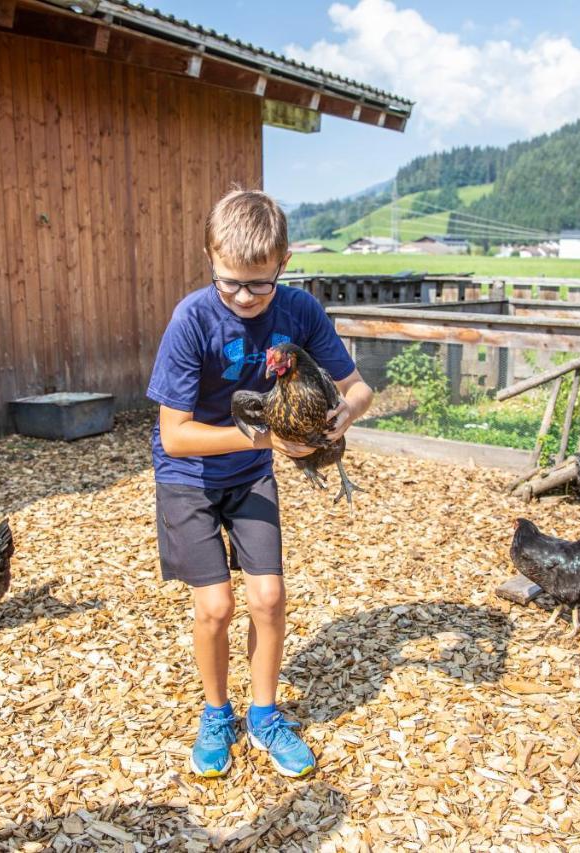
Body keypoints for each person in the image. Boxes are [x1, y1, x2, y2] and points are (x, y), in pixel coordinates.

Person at [146, 188, 374, 778]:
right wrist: (268, 438)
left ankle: (265, 714)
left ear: (284, 263)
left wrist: (341, 415)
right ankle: (216, 711)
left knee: (269, 598)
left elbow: (359, 389)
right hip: (188, 479)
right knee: (216, 607)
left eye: (259, 284)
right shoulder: (192, 319)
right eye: (230, 283)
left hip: (250, 476)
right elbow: (175, 436)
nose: (245, 297)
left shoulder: (299, 311)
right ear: (208, 258)